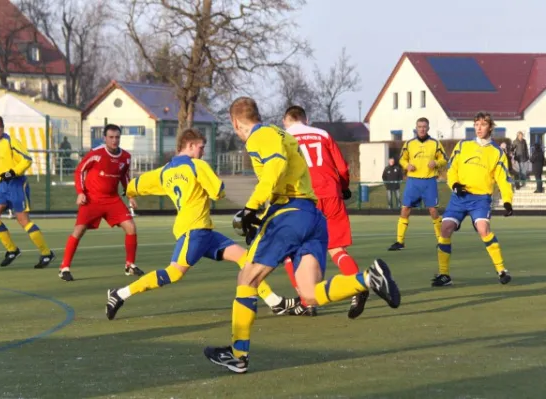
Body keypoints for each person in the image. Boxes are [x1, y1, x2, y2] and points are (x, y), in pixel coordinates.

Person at [203, 97, 401, 374]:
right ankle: (368, 279)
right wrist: (259, 215)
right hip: (312, 216)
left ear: (235, 123)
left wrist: (251, 208)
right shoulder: (280, 134)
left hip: (290, 215)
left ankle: (238, 354)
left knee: (246, 278)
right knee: (308, 295)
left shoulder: (260, 136)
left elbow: (274, 168)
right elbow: (286, 174)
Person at [105, 128, 295, 320]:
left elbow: (136, 185)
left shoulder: (164, 171)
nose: (203, 152)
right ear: (190, 146)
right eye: (201, 147)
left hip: (204, 232)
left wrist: (129, 192)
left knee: (245, 259)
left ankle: (274, 301)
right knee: (174, 273)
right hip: (194, 231)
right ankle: (119, 294)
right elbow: (218, 192)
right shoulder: (197, 165)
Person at [281, 105, 367, 319]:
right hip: (331, 194)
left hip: (304, 198)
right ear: (306, 119)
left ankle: (306, 301)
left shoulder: (283, 137)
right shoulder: (323, 134)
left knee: (292, 253)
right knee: (336, 249)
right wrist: (344, 187)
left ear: (286, 121)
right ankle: (357, 286)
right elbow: (343, 168)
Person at [433, 112, 514, 287]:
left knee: (483, 229)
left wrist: (507, 200)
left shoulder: (497, 152)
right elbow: (451, 168)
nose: (478, 128)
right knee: (445, 229)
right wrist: (454, 184)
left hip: (481, 199)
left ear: (490, 127)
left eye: (483, 124)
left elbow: (503, 178)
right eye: (476, 124)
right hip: (459, 197)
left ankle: (501, 270)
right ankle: (444, 274)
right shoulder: (462, 145)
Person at [58, 124, 143, 281]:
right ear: (105, 138)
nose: (114, 140)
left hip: (112, 199)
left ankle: (129, 265)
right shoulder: (96, 154)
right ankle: (64, 268)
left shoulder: (126, 157)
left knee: (131, 227)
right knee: (79, 230)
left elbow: (124, 177)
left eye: (117, 137)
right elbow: (80, 171)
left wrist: (130, 195)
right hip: (92, 199)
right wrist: (81, 193)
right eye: (111, 137)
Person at [0, 114, 55, 268]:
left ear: (3, 127)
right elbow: (4, 170)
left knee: (23, 221)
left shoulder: (11, 141)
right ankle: (12, 250)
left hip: (17, 185)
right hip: (3, 186)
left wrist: (12, 172)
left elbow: (27, 159)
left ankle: (46, 253)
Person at [388, 117, 447, 251]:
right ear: (416, 128)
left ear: (428, 128)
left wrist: (436, 163)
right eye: (420, 126)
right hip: (413, 181)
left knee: (433, 210)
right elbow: (402, 159)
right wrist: (407, 165)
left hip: (429, 181)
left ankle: (441, 241)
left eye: (424, 126)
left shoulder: (435, 144)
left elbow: (444, 159)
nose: (422, 129)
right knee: (405, 209)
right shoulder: (409, 144)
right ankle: (400, 241)